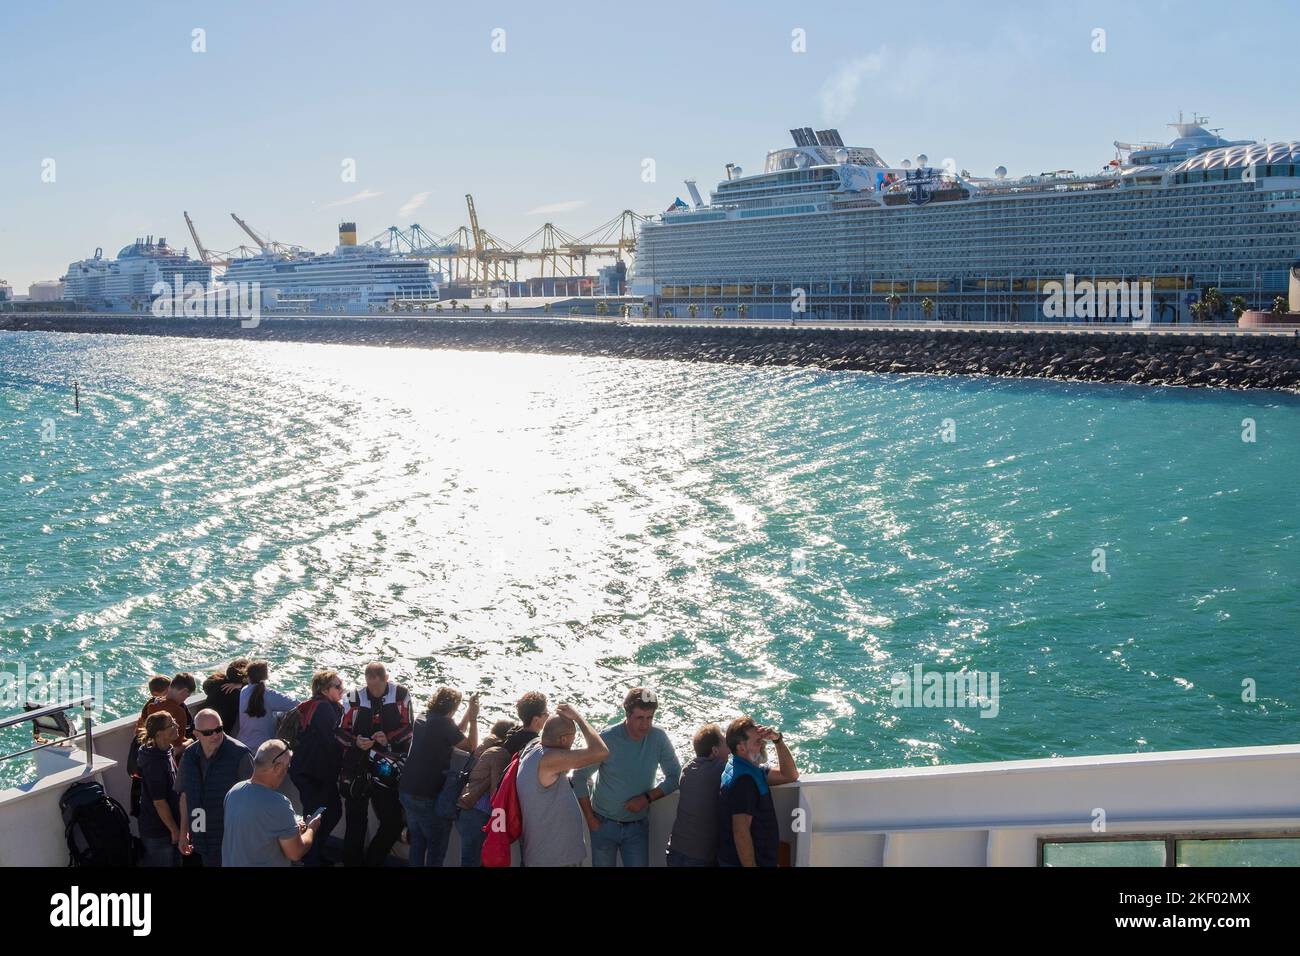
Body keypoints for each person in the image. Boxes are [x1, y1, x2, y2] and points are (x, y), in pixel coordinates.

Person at [572, 687, 681, 867]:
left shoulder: (659, 738)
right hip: (602, 824)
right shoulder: (607, 739)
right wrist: (590, 819)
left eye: (650, 718)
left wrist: (646, 798)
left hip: (638, 827)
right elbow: (579, 776)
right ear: (627, 715)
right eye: (640, 718)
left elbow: (674, 776)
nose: (645, 725)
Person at [335, 662, 413, 866]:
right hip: (358, 768)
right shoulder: (353, 698)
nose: (375, 692)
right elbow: (340, 732)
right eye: (371, 687)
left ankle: (372, 861)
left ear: (386, 679)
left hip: (386, 770)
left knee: (392, 822)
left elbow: (409, 728)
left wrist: (389, 738)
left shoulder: (401, 695)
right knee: (355, 822)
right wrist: (356, 742)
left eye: (378, 687)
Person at [516, 705, 608, 867]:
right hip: (553, 859)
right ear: (564, 739)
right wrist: (579, 718)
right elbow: (600, 752)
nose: (572, 746)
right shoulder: (549, 760)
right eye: (572, 740)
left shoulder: (534, 748)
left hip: (545, 856)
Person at [399, 687, 479, 866]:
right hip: (426, 795)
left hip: (406, 790)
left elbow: (455, 732)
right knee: (436, 848)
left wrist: (467, 710)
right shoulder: (444, 725)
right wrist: (473, 718)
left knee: (418, 843)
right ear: (452, 708)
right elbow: (471, 746)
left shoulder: (423, 717)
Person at [222, 739, 322, 867]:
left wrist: (291, 827)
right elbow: (295, 853)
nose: (286, 773)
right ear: (278, 767)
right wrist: (311, 829)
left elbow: (256, 830)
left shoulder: (234, 791)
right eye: (287, 768)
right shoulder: (279, 803)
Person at [717, 717, 799, 868]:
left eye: (762, 739)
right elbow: (740, 832)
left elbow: (790, 775)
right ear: (741, 747)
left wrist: (777, 740)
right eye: (757, 741)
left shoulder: (744, 767)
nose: (763, 744)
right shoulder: (744, 782)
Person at [178, 708, 254, 867]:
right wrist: (183, 833)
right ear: (196, 734)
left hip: (232, 839)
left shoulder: (240, 754)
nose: (215, 735)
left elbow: (254, 800)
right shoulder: (189, 755)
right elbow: (185, 796)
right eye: (208, 732)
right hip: (202, 837)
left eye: (218, 729)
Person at [287, 669, 345, 866]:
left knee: (331, 811)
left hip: (310, 771)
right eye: (337, 686)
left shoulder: (320, 706)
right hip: (312, 774)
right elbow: (334, 740)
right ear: (325, 690)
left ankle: (314, 850)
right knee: (319, 817)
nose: (342, 689)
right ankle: (311, 857)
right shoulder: (323, 709)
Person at [666, 723, 727, 866]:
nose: (728, 747)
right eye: (725, 743)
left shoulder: (687, 769)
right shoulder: (717, 770)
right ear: (715, 751)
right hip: (698, 857)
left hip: (675, 849)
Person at [455, 718, 514, 867]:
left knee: (468, 859)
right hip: (480, 814)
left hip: (465, 809)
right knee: (476, 861)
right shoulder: (500, 754)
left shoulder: (482, 748)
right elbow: (496, 791)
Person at [136, 712, 182, 867]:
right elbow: (159, 803)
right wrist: (174, 830)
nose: (177, 726)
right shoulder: (154, 764)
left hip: (169, 826)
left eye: (174, 721)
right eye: (172, 725)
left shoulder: (166, 750)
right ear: (159, 733)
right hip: (159, 832)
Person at [236, 661, 297, 753]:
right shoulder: (269, 695)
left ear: (248, 676)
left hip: (243, 744)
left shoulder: (244, 691)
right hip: (264, 748)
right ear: (266, 677)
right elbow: (296, 704)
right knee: (281, 714)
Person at [134, 673, 196, 746]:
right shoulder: (179, 712)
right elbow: (176, 748)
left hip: (144, 748)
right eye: (187, 696)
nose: (184, 700)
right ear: (184, 691)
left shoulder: (151, 704)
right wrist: (191, 741)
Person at [201, 658, 248, 736]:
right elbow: (255, 687)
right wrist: (241, 685)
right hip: (221, 731)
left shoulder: (217, 682)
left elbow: (206, 686)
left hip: (202, 723)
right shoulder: (243, 693)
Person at [502, 690, 549, 756]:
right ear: (536, 720)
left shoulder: (513, 733)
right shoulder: (533, 745)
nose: (548, 715)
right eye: (545, 713)